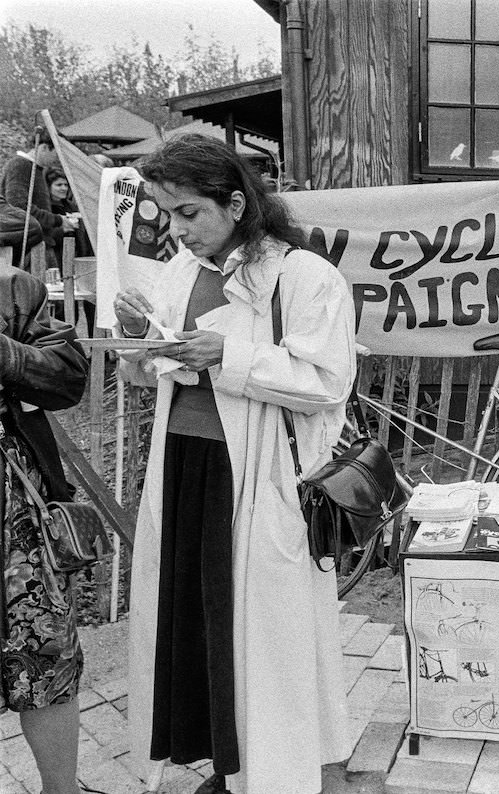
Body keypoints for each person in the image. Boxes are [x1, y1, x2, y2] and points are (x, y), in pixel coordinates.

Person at [112, 134, 355, 793]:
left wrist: (229, 355)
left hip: (261, 479)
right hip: (187, 465)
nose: (178, 229)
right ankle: (230, 761)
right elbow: (154, 374)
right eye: (167, 214)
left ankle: (280, 771)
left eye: (188, 212)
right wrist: (140, 343)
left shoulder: (304, 276)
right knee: (199, 625)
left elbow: (328, 383)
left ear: (236, 203)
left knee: (263, 634)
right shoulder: (178, 274)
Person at [0, 261, 88, 793]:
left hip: (15, 514)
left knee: (43, 648)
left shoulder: (12, 289)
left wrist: (7, 355)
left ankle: (63, 790)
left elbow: (68, 375)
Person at [0, 133, 79, 268]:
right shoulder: (20, 166)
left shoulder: (36, 169)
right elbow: (19, 208)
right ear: (43, 148)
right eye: (57, 152)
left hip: (40, 245)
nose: (59, 158)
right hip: (28, 249)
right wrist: (58, 220)